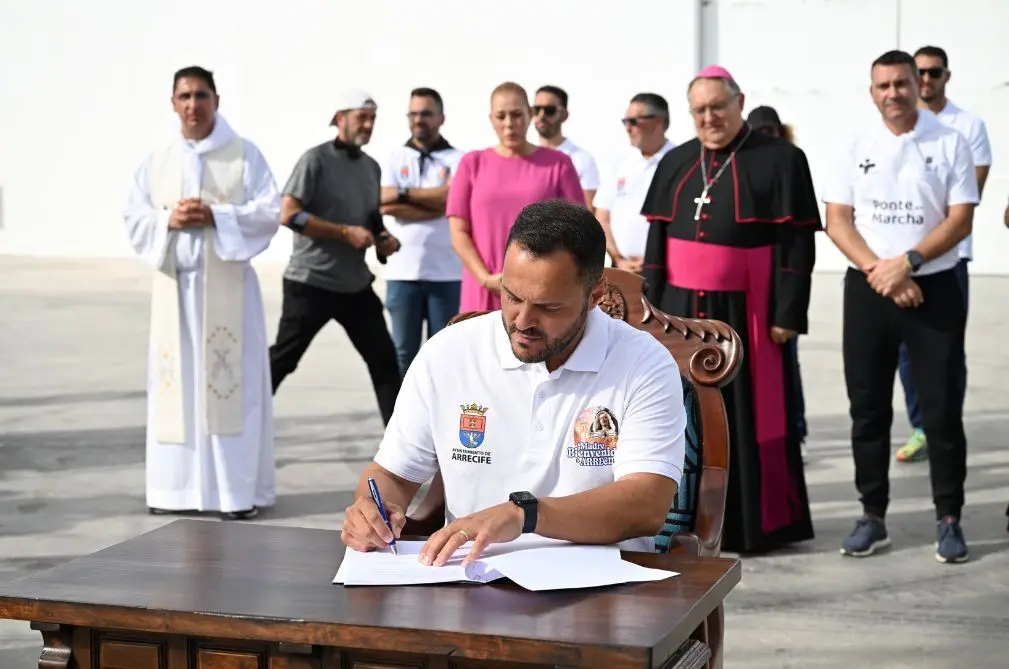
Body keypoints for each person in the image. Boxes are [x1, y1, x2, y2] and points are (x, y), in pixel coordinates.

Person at [340, 199, 686, 564]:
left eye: (548, 307)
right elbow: (393, 473)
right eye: (511, 296)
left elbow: (647, 504)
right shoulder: (449, 352)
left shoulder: (643, 364)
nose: (522, 321)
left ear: (594, 296)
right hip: (468, 579)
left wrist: (524, 515)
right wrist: (373, 510)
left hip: (602, 590)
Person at [640, 65, 822, 554]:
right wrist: (649, 313)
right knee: (682, 417)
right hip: (680, 313)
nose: (709, 117)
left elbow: (796, 244)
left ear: (739, 103)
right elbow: (657, 241)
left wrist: (788, 314)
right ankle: (679, 520)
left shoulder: (782, 159)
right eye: (699, 110)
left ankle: (753, 526)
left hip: (749, 313)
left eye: (718, 106)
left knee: (745, 416)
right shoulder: (676, 161)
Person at [822, 50, 977, 563]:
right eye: (883, 85)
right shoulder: (854, 143)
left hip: (935, 291)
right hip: (869, 290)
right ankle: (872, 515)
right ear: (872, 92)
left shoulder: (949, 140)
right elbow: (838, 220)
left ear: (918, 86)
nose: (893, 93)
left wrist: (907, 263)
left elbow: (960, 220)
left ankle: (949, 517)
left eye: (902, 83)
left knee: (941, 411)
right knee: (867, 410)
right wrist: (883, 273)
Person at [123, 65, 281, 520]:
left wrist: (216, 215)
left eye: (201, 96)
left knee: (232, 385)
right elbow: (133, 215)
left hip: (228, 289)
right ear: (173, 103)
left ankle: (233, 494)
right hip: (175, 288)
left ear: (217, 100)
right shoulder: (157, 159)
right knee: (177, 387)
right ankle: (175, 490)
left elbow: (269, 210)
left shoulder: (244, 154)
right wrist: (166, 220)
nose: (193, 105)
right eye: (185, 96)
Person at [269, 88, 403, 425]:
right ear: (339, 119)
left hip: (355, 287)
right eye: (362, 117)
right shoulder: (314, 160)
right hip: (310, 283)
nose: (369, 124)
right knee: (283, 361)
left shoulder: (371, 168)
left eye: (373, 118)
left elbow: (371, 221)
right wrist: (343, 232)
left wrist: (384, 240)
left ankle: (403, 452)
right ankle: (237, 424)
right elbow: (290, 215)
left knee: (385, 363)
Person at [894, 45, 993, 464]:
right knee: (904, 350)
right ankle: (922, 427)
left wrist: (921, 252)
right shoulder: (892, 125)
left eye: (934, 72)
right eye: (920, 72)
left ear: (946, 76)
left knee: (947, 350)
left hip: (949, 259)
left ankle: (944, 423)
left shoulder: (967, 126)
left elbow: (965, 200)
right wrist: (900, 261)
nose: (927, 79)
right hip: (895, 264)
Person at [446, 81, 585, 314]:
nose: (509, 124)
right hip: (484, 288)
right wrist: (485, 278)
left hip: (541, 292)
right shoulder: (472, 163)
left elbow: (577, 229)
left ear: (530, 115)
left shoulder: (558, 164)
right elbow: (458, 231)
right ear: (491, 119)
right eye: (501, 116)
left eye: (517, 115)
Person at [378, 87, 466, 375]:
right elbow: (382, 202)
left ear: (441, 118)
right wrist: (435, 200)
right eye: (413, 114)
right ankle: (402, 419)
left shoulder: (459, 159)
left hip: (447, 273)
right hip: (403, 274)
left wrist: (402, 195)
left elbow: (454, 200)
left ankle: (439, 419)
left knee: (444, 355)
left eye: (426, 114)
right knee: (402, 355)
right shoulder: (394, 156)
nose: (419, 120)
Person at [747, 105, 810, 459]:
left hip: (781, 284)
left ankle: (794, 431)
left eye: (772, 132)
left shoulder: (790, 163)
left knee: (787, 363)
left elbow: (799, 242)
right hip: (752, 285)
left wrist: (789, 309)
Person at [594, 93, 676, 273]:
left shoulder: (680, 162)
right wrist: (618, 258)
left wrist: (653, 258)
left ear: (659, 121)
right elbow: (602, 216)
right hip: (621, 270)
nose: (628, 128)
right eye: (625, 122)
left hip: (665, 270)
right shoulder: (620, 161)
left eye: (634, 121)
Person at [532, 85, 600, 207]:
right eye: (536, 110)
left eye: (549, 110)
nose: (541, 116)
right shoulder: (526, 158)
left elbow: (586, 212)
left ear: (564, 115)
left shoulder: (582, 159)